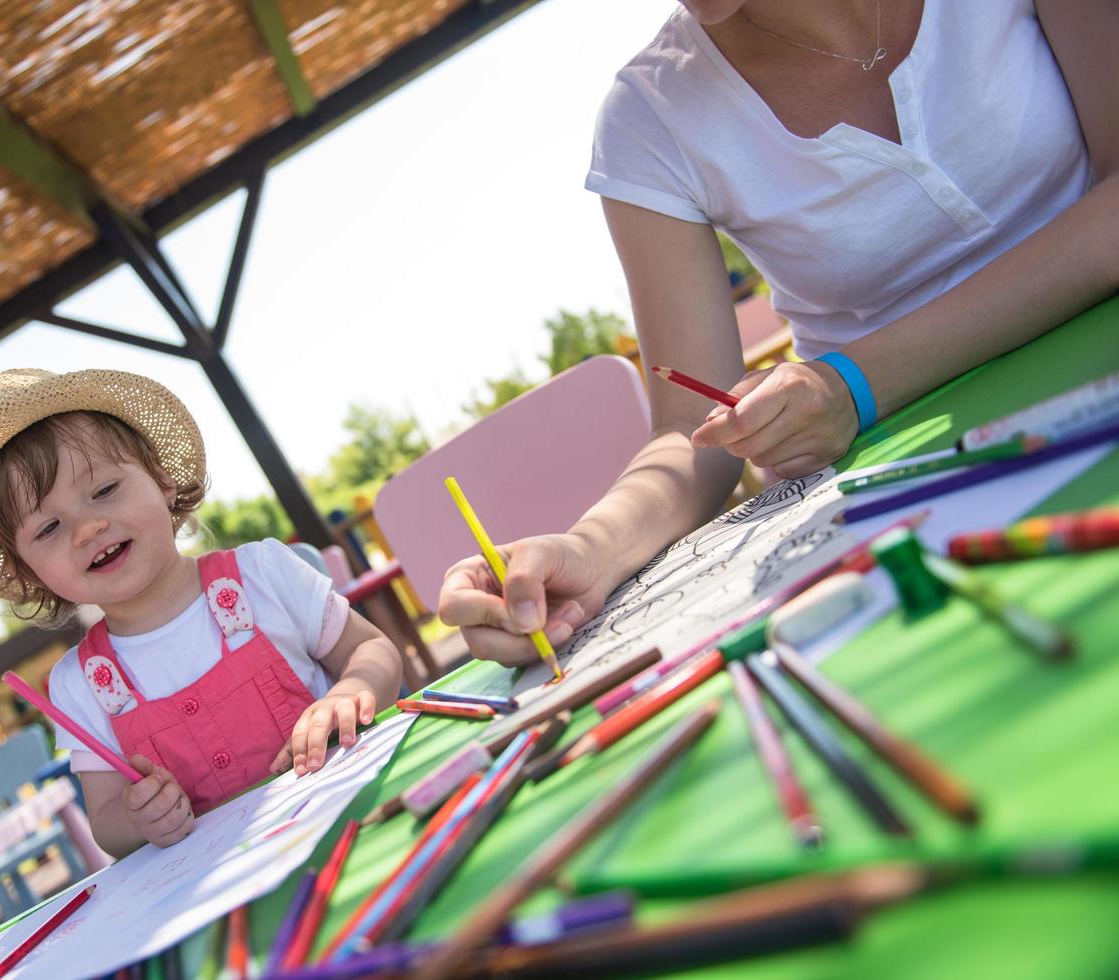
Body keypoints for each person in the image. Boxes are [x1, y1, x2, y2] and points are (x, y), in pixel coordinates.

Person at [441, 0, 1116, 665]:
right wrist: (592, 548)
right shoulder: (648, 116)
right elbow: (688, 432)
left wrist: (852, 383)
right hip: (910, 494)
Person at [0, 368, 403, 855]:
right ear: (28, 573)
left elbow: (372, 649)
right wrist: (138, 818)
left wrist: (352, 689)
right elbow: (107, 822)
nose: (87, 528)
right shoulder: (80, 684)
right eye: (48, 528)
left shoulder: (263, 574)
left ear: (162, 480)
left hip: (361, 819)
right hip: (221, 885)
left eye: (104, 490)